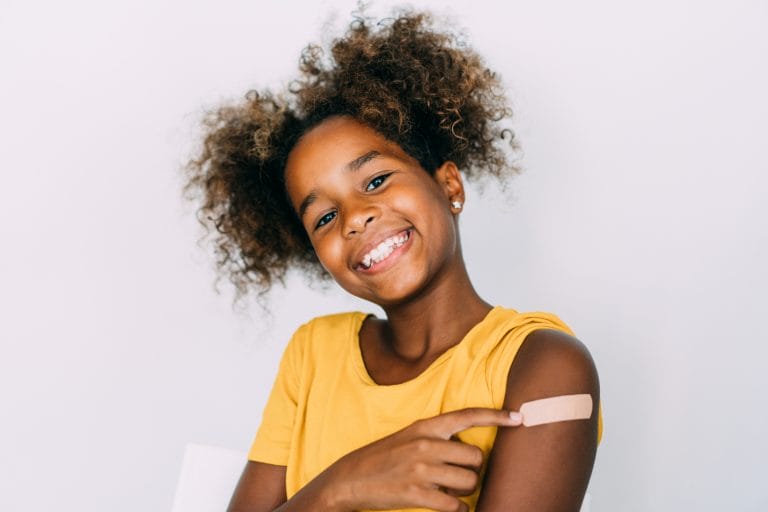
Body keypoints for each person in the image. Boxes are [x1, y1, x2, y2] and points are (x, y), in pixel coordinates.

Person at [184, 9, 602, 512]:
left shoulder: (541, 365)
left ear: (448, 185)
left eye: (377, 181)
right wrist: (344, 484)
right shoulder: (313, 355)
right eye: (324, 217)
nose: (355, 219)